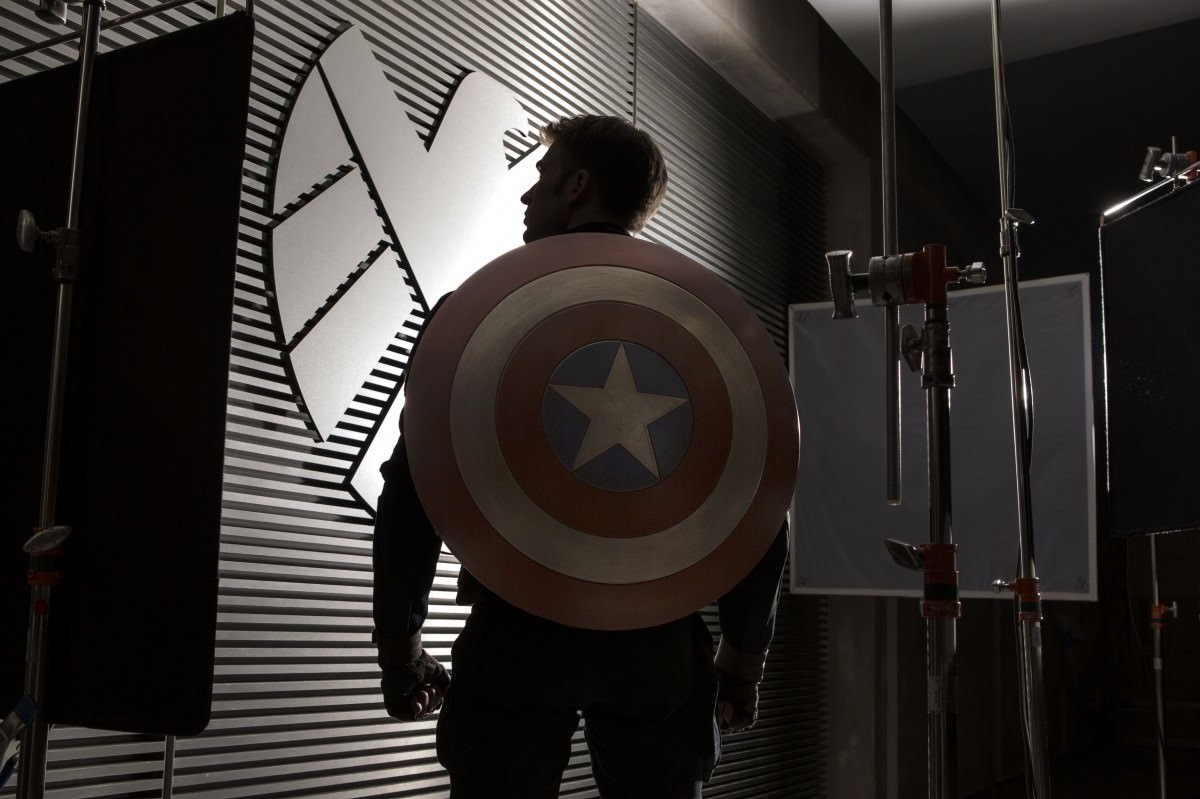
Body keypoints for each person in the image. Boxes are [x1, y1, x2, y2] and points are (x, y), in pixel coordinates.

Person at [372, 114, 789, 798]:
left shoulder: (477, 312)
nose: (526, 193)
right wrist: (744, 657)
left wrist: (400, 647)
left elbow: (412, 488)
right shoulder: (706, 324)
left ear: (578, 186)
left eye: (542, 175)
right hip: (656, 638)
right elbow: (761, 497)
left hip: (517, 632)